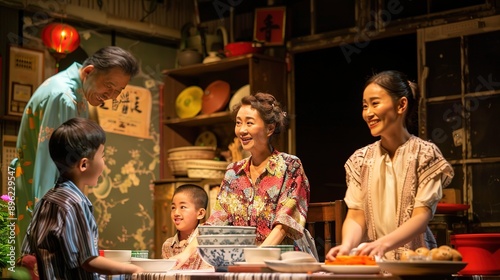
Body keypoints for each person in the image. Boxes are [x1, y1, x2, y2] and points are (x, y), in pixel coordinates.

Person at [10, 46, 138, 257]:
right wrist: (51, 222)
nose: (112, 96)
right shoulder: (64, 97)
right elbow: (50, 164)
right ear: (88, 71)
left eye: (118, 91)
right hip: (39, 196)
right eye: (109, 86)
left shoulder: (78, 92)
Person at [171, 92, 313, 268]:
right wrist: (184, 254)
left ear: (270, 129)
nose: (241, 130)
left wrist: (255, 258)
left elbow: (284, 224)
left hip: (282, 260)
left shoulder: (290, 166)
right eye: (238, 123)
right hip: (243, 262)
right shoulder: (234, 172)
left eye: (249, 123)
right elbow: (215, 221)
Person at [325, 70, 454, 261]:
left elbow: (421, 215)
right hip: (373, 261)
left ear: (401, 105)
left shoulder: (425, 154)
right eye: (364, 106)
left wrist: (384, 243)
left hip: (414, 262)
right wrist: (346, 246)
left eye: (375, 103)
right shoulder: (360, 160)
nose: (368, 113)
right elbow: (355, 215)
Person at [21, 117, 143, 279]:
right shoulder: (75, 203)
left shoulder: (47, 199)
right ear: (84, 164)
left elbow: (27, 252)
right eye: (102, 156)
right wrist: (133, 269)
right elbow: (88, 261)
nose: (104, 164)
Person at [161, 184, 213, 270]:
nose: (176, 213)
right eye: (173, 207)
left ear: (200, 213)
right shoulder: (168, 245)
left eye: (183, 207)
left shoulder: (208, 243)